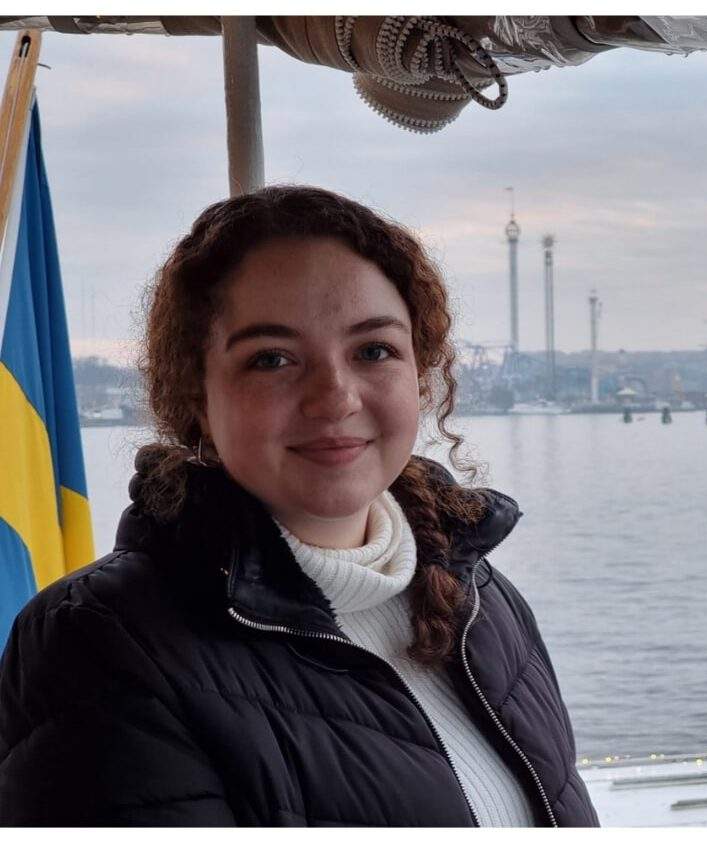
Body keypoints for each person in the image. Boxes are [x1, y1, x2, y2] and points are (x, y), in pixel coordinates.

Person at [0, 186, 597, 827]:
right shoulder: (98, 642)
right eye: (272, 359)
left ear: (419, 373)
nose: (334, 398)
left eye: (374, 350)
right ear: (197, 394)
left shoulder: (480, 596)